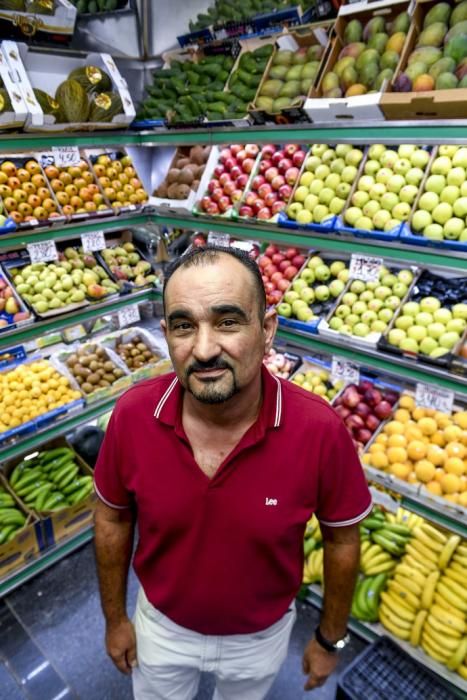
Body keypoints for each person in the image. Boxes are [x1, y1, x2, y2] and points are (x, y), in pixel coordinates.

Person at [93, 245, 372, 700]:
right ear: (165, 335)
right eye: (184, 326)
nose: (203, 350)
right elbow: (111, 518)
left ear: (267, 330)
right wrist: (115, 619)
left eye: (227, 322)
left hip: (259, 639)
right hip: (160, 627)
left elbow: (342, 539)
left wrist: (328, 638)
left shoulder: (319, 430)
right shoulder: (133, 415)